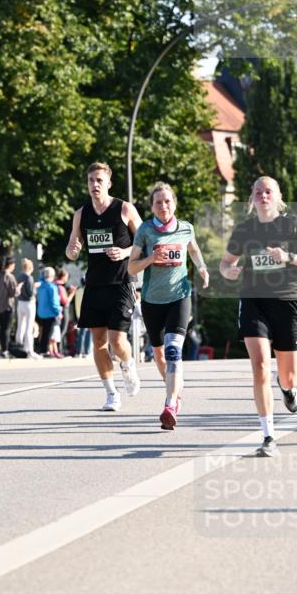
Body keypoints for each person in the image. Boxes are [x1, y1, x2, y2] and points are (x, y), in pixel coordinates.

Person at [219, 176, 297, 457]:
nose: (263, 195)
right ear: (252, 198)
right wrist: (227, 270)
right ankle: (268, 436)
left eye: (268, 191)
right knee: (261, 365)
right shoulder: (244, 229)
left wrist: (288, 257)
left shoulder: (292, 225)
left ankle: (288, 389)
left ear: (277, 196)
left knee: (289, 376)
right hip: (254, 301)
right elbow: (226, 262)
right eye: (258, 192)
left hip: (288, 300)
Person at [128, 182, 209, 430]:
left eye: (167, 201)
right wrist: (151, 258)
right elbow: (131, 267)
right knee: (160, 355)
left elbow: (194, 251)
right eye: (158, 202)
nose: (163, 206)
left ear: (174, 203)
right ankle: (174, 389)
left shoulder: (186, 228)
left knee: (174, 350)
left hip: (179, 296)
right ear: (152, 206)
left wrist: (203, 269)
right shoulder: (145, 230)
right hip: (152, 300)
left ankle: (170, 404)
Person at [65, 162, 141, 411]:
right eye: (91, 181)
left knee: (117, 340)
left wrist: (125, 252)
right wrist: (73, 250)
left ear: (108, 183)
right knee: (98, 341)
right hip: (95, 284)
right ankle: (111, 393)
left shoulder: (124, 209)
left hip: (121, 281)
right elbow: (71, 250)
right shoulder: (81, 214)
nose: (94, 185)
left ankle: (128, 364)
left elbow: (146, 241)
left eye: (99, 180)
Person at [0, 256, 17, 358]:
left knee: (2, 328)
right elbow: (13, 292)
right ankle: (5, 350)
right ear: (10, 265)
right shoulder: (9, 277)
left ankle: (2, 349)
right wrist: (18, 289)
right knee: (7, 329)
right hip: (7, 305)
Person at [15, 257, 39, 358]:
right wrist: (35, 288)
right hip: (29, 303)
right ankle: (29, 350)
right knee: (29, 327)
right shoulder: (29, 278)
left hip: (20, 303)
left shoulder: (19, 276)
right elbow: (30, 293)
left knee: (20, 326)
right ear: (30, 268)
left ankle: (19, 345)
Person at [35, 267, 61, 355]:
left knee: (44, 333)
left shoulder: (40, 285)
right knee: (48, 333)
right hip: (50, 313)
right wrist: (58, 312)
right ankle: (45, 350)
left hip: (41, 313)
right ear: (52, 276)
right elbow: (54, 302)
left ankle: (42, 350)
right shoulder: (52, 287)